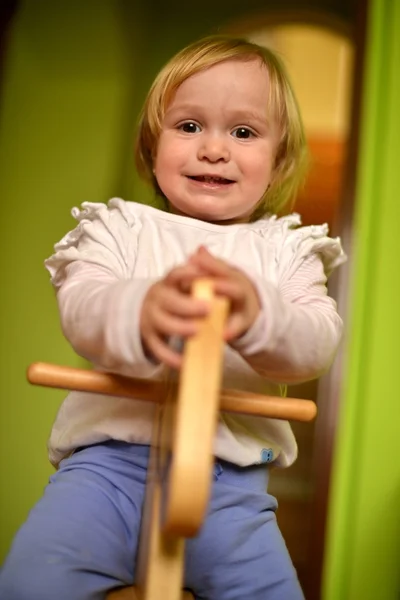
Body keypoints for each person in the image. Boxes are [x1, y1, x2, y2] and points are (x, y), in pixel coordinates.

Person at [0, 35, 346, 600]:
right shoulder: (117, 229)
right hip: (105, 474)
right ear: (151, 145)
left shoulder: (288, 250)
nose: (213, 149)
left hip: (231, 490)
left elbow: (316, 341)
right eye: (189, 126)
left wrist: (260, 314)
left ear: (279, 158)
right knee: (32, 583)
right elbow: (82, 308)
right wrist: (141, 307)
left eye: (243, 132)